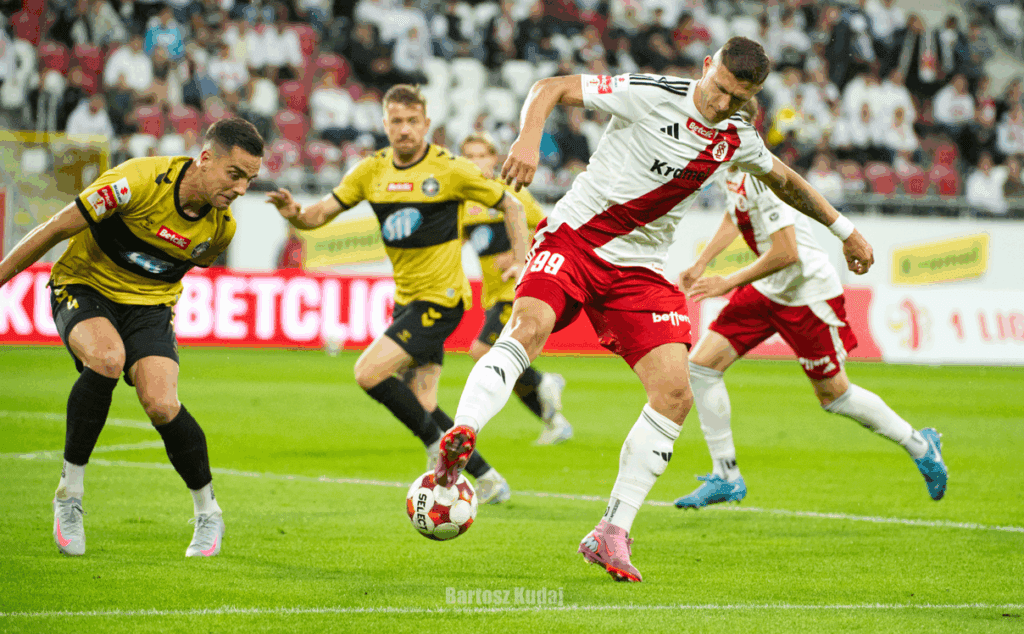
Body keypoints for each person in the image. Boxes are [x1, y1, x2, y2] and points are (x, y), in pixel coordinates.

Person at [433, 37, 875, 583]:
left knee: (675, 394)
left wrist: (845, 231)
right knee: (529, 327)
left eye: (737, 98)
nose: (721, 103)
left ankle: (611, 532)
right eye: (718, 89)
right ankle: (461, 438)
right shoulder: (651, 92)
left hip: (639, 272)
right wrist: (528, 140)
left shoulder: (736, 136)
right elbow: (550, 87)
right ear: (706, 66)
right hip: (575, 240)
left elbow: (786, 181)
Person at [0, 117, 265, 557]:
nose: (240, 189)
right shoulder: (135, 182)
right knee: (107, 359)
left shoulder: (221, 229)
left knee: (162, 404)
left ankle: (208, 513)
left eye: (249, 180)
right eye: (234, 174)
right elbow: (56, 228)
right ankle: (69, 495)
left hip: (150, 307)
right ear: (204, 158)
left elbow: (173, 269)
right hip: (84, 286)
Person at [673, 99, 947, 511]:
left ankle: (920, 444)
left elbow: (787, 252)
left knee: (834, 395)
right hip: (769, 288)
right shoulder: (731, 167)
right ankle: (726, 475)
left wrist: (727, 281)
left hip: (807, 294)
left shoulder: (760, 174)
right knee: (701, 367)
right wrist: (701, 263)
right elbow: (734, 214)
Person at [267, 85, 530, 504]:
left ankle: (436, 448)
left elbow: (511, 205)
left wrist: (521, 260)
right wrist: (295, 214)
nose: (404, 129)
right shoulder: (370, 171)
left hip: (442, 300)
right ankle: (488, 478)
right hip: (407, 300)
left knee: (368, 372)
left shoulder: (451, 169)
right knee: (422, 401)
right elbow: (320, 213)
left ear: (426, 124)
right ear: (385, 124)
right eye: (396, 121)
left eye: (412, 121)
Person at [459, 132, 573, 446]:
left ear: (494, 159)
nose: (475, 162)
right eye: (469, 156)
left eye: (481, 155)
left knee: (482, 351)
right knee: (507, 361)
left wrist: (518, 256)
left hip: (517, 289)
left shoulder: (509, 191)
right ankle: (554, 421)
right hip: (492, 292)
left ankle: (544, 381)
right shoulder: (464, 200)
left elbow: (547, 227)